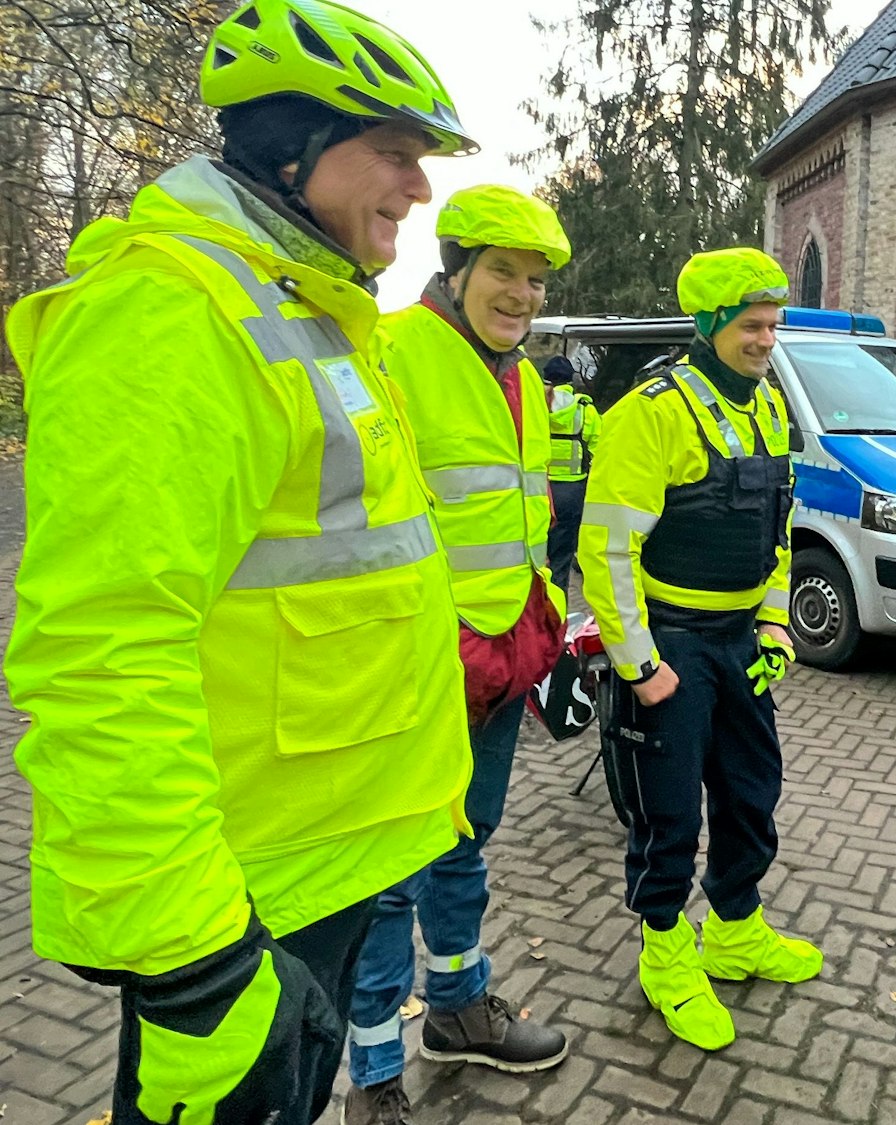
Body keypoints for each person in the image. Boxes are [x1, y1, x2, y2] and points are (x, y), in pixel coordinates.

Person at [0, 2, 476, 1120]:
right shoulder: (169, 314)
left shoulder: (308, 306)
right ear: (291, 147)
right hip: (243, 901)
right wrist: (194, 965)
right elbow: (101, 654)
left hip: (323, 858)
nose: (418, 190)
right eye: (396, 155)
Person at [342, 184, 573, 1122]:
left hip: (502, 668)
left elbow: (517, 521)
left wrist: (544, 621)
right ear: (456, 269)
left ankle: (457, 1010)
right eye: (504, 274)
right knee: (391, 878)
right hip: (423, 669)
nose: (521, 295)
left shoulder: (521, 375)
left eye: (535, 280)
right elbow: (364, 524)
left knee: (466, 851)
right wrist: (440, 641)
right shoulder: (395, 352)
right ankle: (373, 1075)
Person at [578, 247, 823, 1052]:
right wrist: (639, 664)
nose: (767, 339)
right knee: (669, 810)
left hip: (741, 642)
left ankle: (735, 928)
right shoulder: (649, 414)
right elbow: (606, 551)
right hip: (672, 644)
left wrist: (778, 625)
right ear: (712, 323)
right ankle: (665, 953)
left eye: (773, 324)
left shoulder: (767, 410)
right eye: (753, 325)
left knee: (753, 791)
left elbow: (777, 533)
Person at [543, 352, 602, 591]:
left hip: (538, 489)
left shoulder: (535, 404)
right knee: (561, 558)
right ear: (570, 380)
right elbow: (600, 449)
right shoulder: (584, 409)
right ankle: (557, 615)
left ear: (547, 378)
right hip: (571, 491)